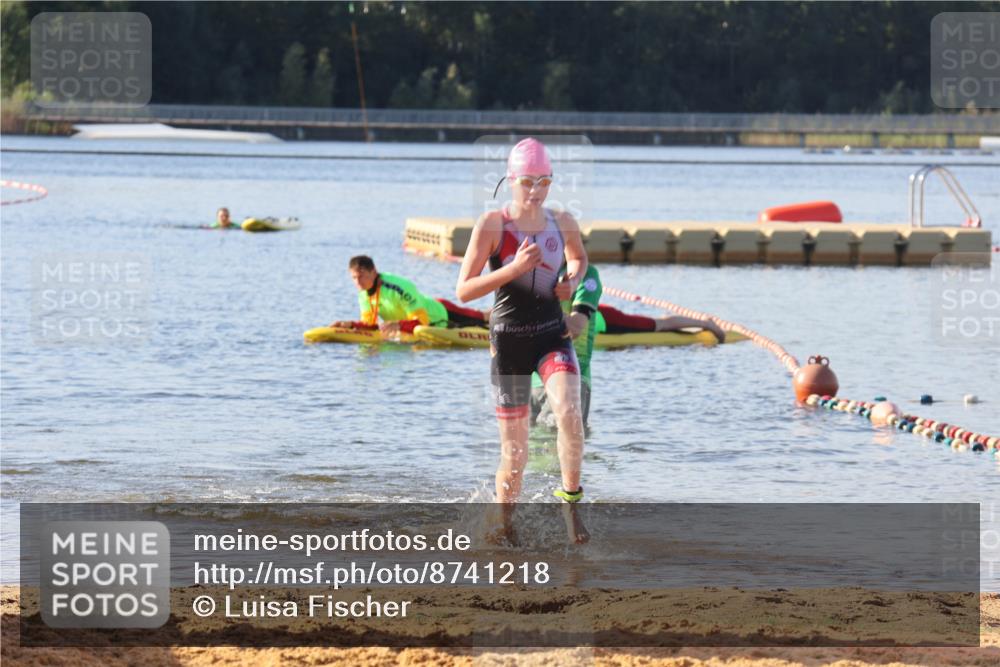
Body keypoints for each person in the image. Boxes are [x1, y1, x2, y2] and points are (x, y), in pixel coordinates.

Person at [455, 137, 589, 543]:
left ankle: (570, 510)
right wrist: (512, 269)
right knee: (515, 455)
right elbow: (464, 290)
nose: (535, 191)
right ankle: (505, 525)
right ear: (511, 181)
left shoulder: (561, 221)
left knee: (569, 412)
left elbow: (579, 258)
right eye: (528, 182)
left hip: (552, 336)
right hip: (509, 344)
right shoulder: (493, 225)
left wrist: (572, 282)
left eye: (544, 182)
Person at [331, 255, 486, 334]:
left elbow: (422, 321)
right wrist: (350, 325)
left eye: (362, 276)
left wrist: (398, 325)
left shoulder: (397, 287)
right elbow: (370, 325)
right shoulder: (363, 295)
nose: (358, 282)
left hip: (442, 313)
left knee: (483, 318)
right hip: (418, 323)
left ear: (374, 271)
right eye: (354, 278)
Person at [531, 264, 602, 430]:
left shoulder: (587, 274)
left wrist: (537, 311)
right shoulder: (530, 272)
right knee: (530, 448)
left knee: (559, 446)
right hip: (532, 379)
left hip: (572, 376)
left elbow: (576, 327)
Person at [595, 305, 725, 341]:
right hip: (600, 314)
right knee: (659, 323)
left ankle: (706, 323)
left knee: (661, 324)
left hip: (609, 319)